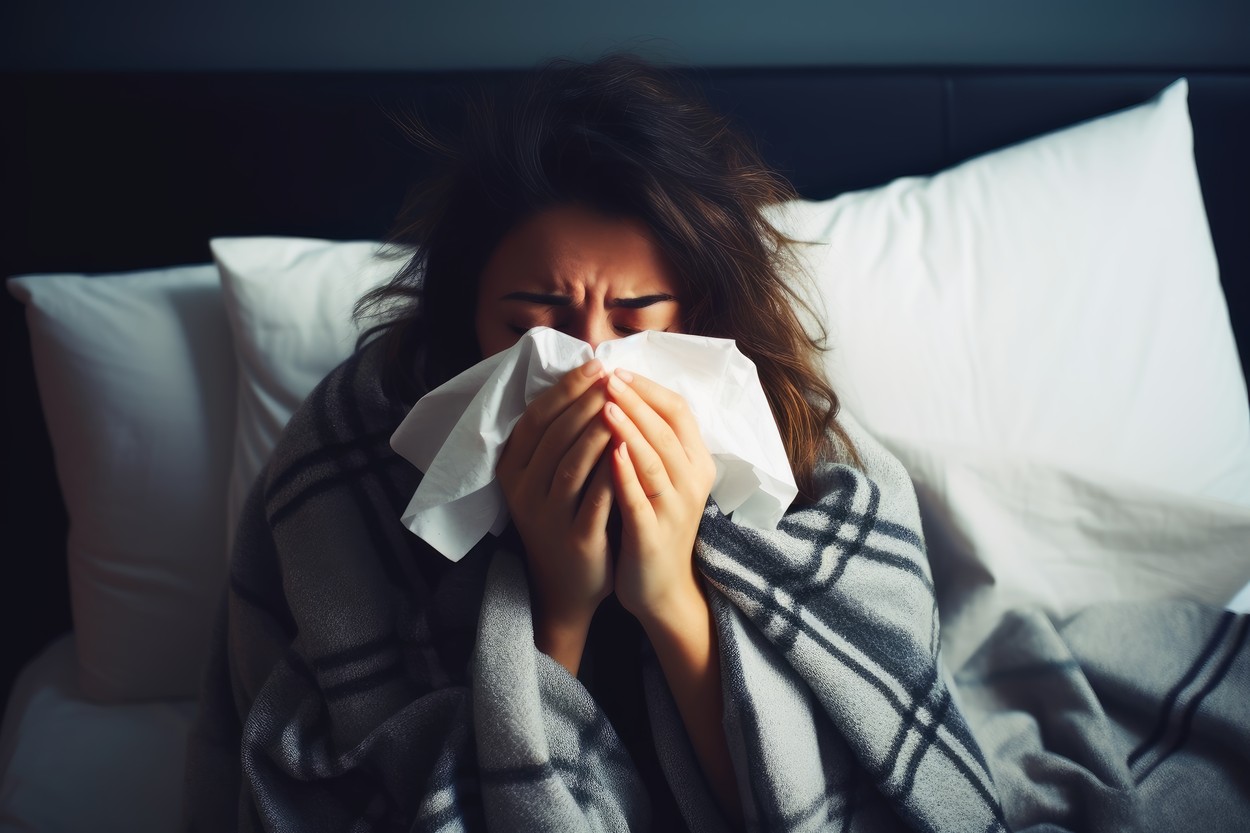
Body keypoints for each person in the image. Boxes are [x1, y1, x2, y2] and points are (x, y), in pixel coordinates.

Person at [183, 55, 1002, 833]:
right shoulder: (358, 446)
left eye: (636, 320)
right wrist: (557, 606)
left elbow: (834, 793)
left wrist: (669, 594)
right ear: (467, 317)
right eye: (532, 326)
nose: (590, 366)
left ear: (699, 315)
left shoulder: (802, 451)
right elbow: (345, 772)